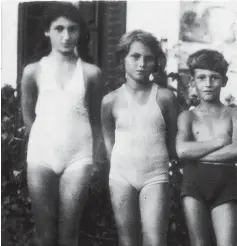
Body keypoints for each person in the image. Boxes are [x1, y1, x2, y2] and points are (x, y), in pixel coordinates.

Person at [20, 2, 102, 245]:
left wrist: (95, 158)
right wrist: (38, 145)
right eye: (59, 29)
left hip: (78, 157)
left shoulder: (91, 73)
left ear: (80, 32)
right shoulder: (33, 71)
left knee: (69, 234)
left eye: (73, 29)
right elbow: (27, 117)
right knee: (44, 234)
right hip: (41, 156)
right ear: (47, 31)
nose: (66, 36)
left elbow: (95, 120)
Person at [101, 30, 177, 246]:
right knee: (127, 241)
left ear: (156, 62)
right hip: (121, 176)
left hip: (154, 175)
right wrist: (117, 168)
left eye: (148, 58)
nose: (142, 63)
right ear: (122, 59)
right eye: (135, 57)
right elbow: (109, 140)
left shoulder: (164, 97)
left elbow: (172, 140)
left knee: (154, 240)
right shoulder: (110, 100)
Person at [176, 49, 237, 246]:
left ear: (224, 81)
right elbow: (181, 150)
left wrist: (196, 152)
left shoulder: (234, 114)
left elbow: (236, 151)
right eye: (202, 78)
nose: (208, 84)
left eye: (214, 78)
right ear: (193, 81)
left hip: (224, 185)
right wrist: (219, 142)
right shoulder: (187, 116)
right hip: (194, 184)